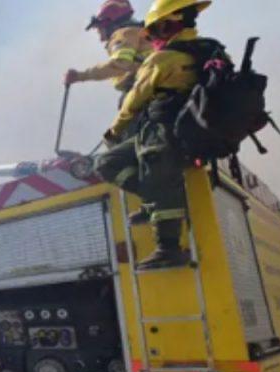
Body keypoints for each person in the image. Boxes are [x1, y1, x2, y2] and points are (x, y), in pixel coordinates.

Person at [94, 0, 220, 270]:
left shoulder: (163, 58)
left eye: (153, 30)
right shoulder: (212, 50)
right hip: (199, 131)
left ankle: (168, 248)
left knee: (112, 163)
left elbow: (134, 101)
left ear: (166, 24)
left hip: (165, 129)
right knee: (151, 175)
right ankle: (156, 202)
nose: (150, 36)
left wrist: (113, 132)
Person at [65, 0, 152, 102]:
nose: (101, 39)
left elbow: (120, 64)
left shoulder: (123, 34)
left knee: (125, 116)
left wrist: (80, 76)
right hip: (149, 81)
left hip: (143, 86)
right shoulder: (140, 32)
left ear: (109, 24)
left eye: (100, 30)